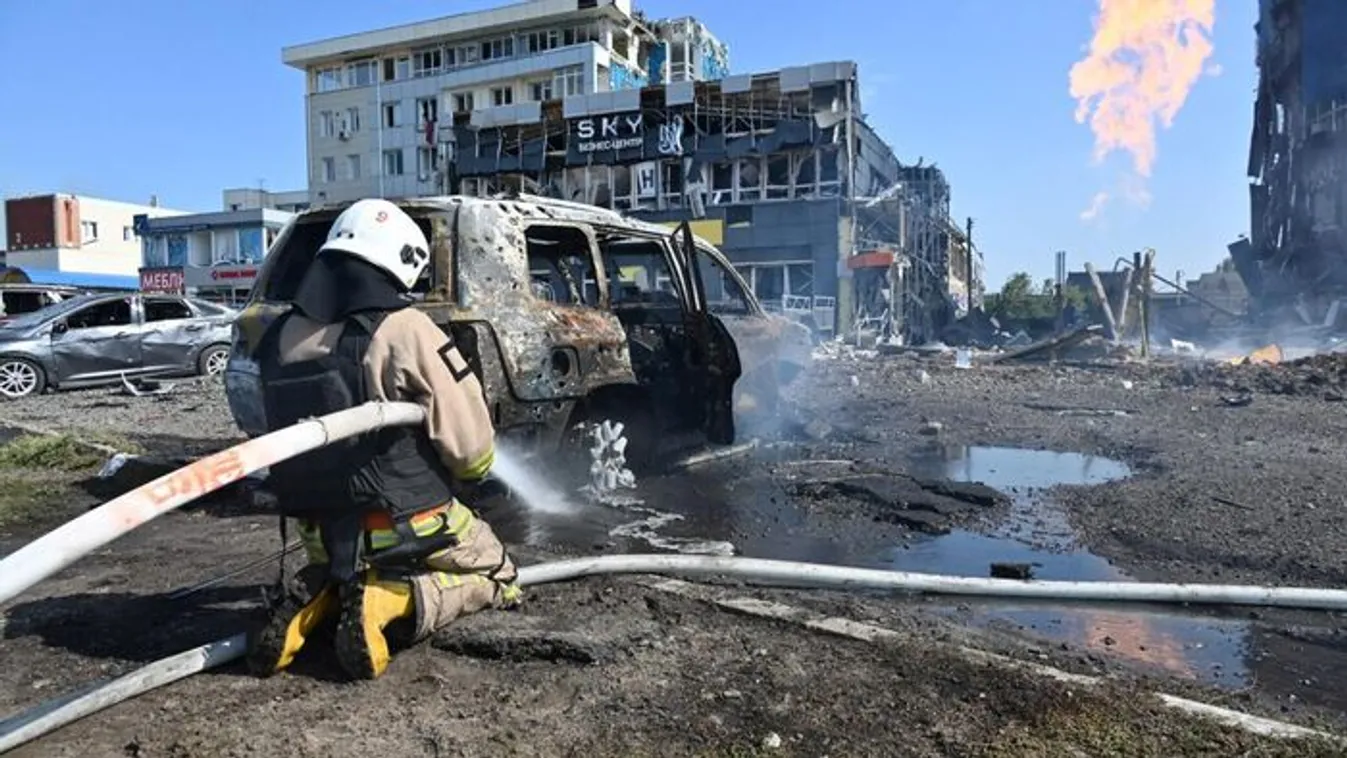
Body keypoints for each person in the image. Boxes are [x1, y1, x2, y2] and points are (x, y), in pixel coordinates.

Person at [245, 198, 522, 681]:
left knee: (341, 567)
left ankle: (317, 604)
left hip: (321, 533)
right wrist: (475, 475)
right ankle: (390, 601)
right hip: (405, 521)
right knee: (498, 574)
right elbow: (469, 443)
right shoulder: (405, 328)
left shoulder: (277, 336)